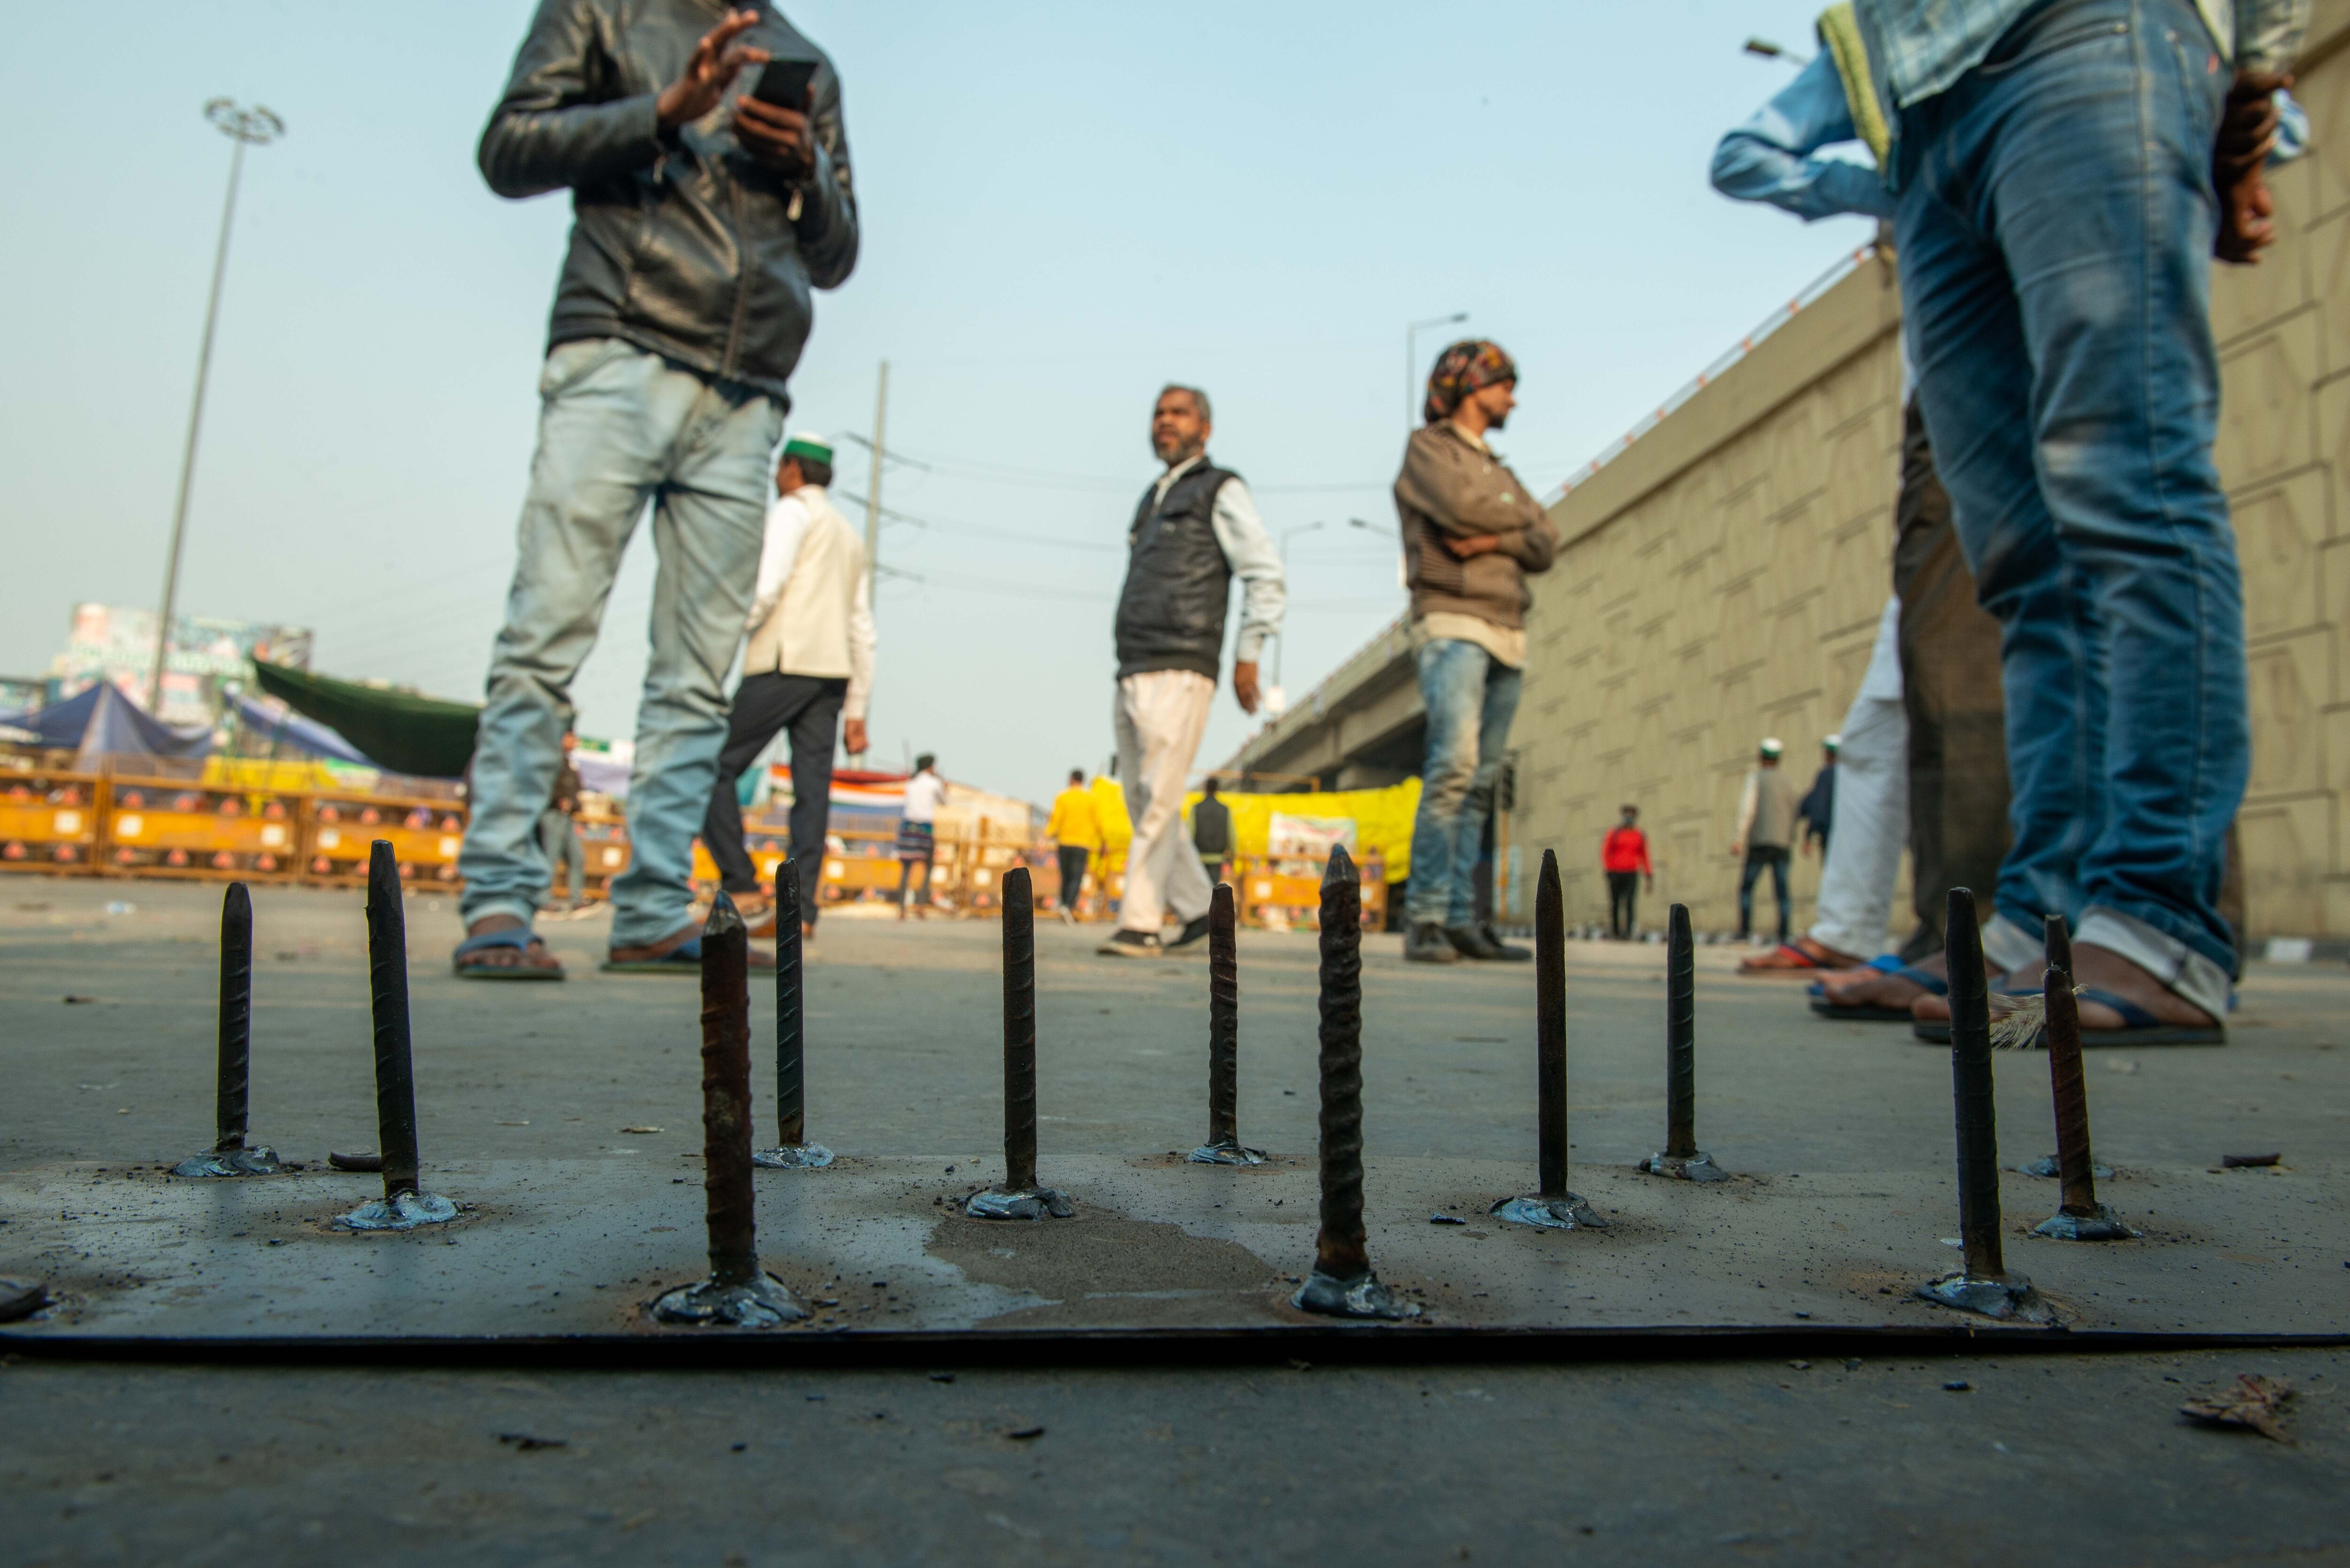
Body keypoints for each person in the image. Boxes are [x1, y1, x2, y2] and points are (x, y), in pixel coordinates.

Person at [1860, 0, 2307, 1043]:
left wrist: (2263, 66)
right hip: (1922, 113)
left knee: (2130, 492)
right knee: (2021, 564)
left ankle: (2160, 921)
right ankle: (2044, 915)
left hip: (2085, 42)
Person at [453, 4, 858, 979]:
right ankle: (500, 899)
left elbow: (837, 256)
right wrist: (663, 110)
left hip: (748, 392)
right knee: (545, 636)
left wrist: (804, 163)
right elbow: (508, 149)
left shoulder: (809, 61)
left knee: (696, 674)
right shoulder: (601, 9)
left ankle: (648, 909)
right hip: (617, 350)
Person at [1098, 386, 1285, 959]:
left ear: (1204, 428)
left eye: (1177, 413)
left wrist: (1247, 651)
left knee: (1158, 797)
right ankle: (1202, 911)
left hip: (1183, 662)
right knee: (1141, 797)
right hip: (1134, 661)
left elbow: (1264, 572)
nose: (1164, 422)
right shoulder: (1150, 500)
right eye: (1157, 412)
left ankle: (1140, 922)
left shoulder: (1219, 488)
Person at [1396, 341, 1557, 966]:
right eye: (1503, 384)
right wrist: (1512, 528)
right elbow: (1459, 511)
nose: (1512, 398)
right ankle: (1428, 915)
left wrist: (1496, 533)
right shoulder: (1430, 450)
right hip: (1453, 619)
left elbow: (1549, 541)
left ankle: (1465, 919)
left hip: (1507, 626)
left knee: (1484, 781)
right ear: (1471, 386)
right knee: (1454, 768)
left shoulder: (1500, 468)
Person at [702, 433, 873, 942]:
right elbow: (862, 625)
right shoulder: (848, 534)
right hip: (831, 675)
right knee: (811, 793)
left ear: (793, 471)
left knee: (713, 763)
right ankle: (798, 913)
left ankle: (741, 880)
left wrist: (719, 642)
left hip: (783, 660)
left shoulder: (791, 512)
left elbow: (766, 585)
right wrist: (859, 703)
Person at [1733, 739, 1797, 944]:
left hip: (1760, 843)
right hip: (1782, 844)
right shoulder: (1788, 782)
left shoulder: (1755, 779)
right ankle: (1784, 933)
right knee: (1782, 891)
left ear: (1761, 757)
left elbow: (1748, 810)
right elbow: (1794, 812)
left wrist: (1739, 838)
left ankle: (1745, 931)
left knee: (1746, 888)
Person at [538, 732, 587, 913]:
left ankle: (576, 899)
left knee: (577, 858)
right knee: (551, 857)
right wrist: (558, 799)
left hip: (567, 816)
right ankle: (543, 899)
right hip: (553, 814)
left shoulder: (568, 763)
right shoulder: (552, 761)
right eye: (572, 738)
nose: (576, 742)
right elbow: (544, 787)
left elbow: (576, 788)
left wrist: (574, 804)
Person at [1045, 768, 1102, 924]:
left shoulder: (1063, 797)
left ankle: (1065, 905)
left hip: (1064, 842)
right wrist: (1103, 840)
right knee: (1076, 877)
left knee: (1066, 875)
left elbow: (1056, 820)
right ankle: (1067, 906)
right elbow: (1098, 821)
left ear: (1071, 779)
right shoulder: (1091, 799)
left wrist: (1045, 836)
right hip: (1082, 843)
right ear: (1083, 780)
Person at [897, 754, 944, 919]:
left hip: (908, 828)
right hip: (925, 828)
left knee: (906, 868)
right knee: (928, 866)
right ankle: (920, 904)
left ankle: (901, 907)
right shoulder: (934, 783)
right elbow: (944, 801)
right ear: (930, 767)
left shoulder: (911, 783)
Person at [1601, 805, 1653, 940]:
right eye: (1627, 814)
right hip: (1615, 873)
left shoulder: (1639, 835)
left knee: (1630, 902)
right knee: (1615, 903)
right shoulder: (1615, 833)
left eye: (1632, 815)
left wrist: (1649, 875)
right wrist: (1608, 869)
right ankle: (1616, 931)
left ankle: (1629, 932)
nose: (1629, 818)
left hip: (1632, 873)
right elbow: (1606, 852)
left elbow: (1645, 855)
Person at [1797, 737, 1838, 858]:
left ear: (1829, 754)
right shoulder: (1852, 776)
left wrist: (1809, 835)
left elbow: (1818, 805)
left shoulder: (1826, 775)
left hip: (1830, 834)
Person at [1191, 776, 1234, 888]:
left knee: (1200, 890)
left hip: (1199, 859)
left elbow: (1189, 835)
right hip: (1217, 859)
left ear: (1205, 788)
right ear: (1218, 789)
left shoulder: (1196, 809)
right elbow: (1232, 836)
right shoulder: (1225, 810)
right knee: (1213, 890)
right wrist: (1232, 856)